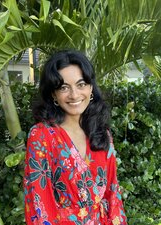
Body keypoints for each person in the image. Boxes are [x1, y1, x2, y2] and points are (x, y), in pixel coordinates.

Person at [24, 49, 127, 225]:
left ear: (91, 88)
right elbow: (39, 203)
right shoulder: (42, 136)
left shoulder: (102, 133)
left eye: (81, 84)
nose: (74, 95)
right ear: (53, 94)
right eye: (64, 87)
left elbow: (113, 193)